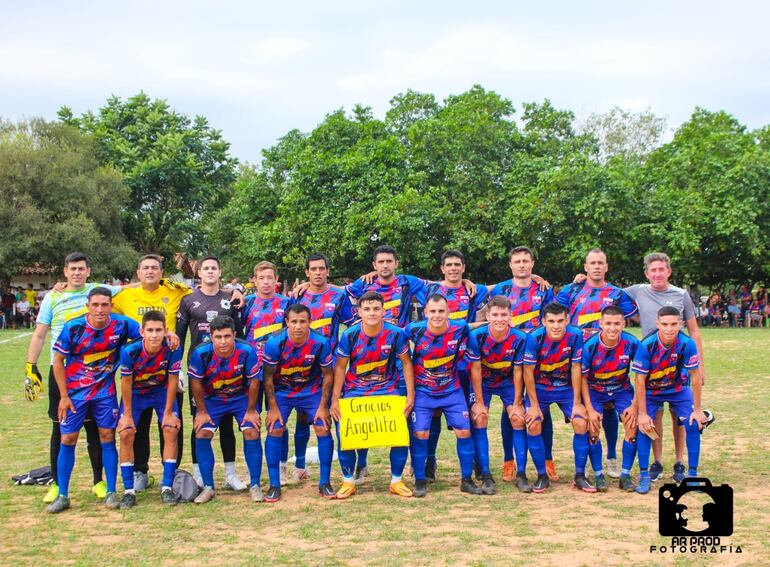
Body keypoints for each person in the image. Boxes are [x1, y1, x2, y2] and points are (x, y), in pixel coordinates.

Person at [25, 252, 126, 504]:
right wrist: (30, 365)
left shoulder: (97, 291)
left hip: (99, 375)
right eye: (73, 269)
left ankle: (99, 481)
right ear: (65, 271)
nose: (77, 273)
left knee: (99, 432)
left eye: (81, 268)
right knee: (60, 429)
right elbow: (39, 334)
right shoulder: (54, 296)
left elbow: (130, 287)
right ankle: (59, 486)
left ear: (88, 272)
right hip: (63, 370)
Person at [45, 287, 141, 513]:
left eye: (105, 305)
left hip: (104, 392)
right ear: (88, 305)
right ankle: (63, 495)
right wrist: (64, 396)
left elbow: (145, 334)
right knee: (67, 438)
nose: (100, 309)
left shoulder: (121, 324)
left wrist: (168, 334)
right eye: (95, 305)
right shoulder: (74, 327)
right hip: (75, 393)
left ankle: (110, 491)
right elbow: (58, 361)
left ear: (110, 306)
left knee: (107, 436)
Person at [555, 248, 638, 480]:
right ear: (585, 267)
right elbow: (553, 314)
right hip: (577, 359)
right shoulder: (571, 290)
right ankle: (582, 464)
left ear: (606, 266)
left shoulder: (617, 293)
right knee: (586, 412)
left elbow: (637, 315)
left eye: (601, 262)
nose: (597, 267)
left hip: (609, 357)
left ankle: (611, 456)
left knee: (610, 406)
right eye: (592, 263)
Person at [623, 253, 706, 483]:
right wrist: (580, 279)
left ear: (669, 271)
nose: (657, 273)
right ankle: (657, 461)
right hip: (651, 362)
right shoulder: (638, 291)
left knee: (680, 417)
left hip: (677, 363)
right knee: (654, 416)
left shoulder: (681, 295)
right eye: (653, 270)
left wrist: (700, 364)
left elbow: (694, 330)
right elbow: (606, 288)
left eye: (662, 269)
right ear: (646, 273)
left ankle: (679, 462)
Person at [111, 254, 190, 492]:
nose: (150, 271)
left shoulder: (176, 291)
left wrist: (236, 293)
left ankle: (172, 473)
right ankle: (140, 471)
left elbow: (205, 293)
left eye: (154, 268)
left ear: (162, 272)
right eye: (145, 268)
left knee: (172, 422)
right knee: (139, 425)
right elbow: (101, 304)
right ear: (138, 272)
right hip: (138, 367)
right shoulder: (125, 295)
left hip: (168, 364)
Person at [412, 250, 489, 482]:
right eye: (449, 265)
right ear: (442, 268)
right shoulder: (429, 290)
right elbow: (392, 275)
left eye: (458, 264)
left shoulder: (474, 290)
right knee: (430, 419)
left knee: (470, 420)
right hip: (431, 375)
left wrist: (537, 278)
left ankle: (478, 465)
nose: (453, 268)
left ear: (463, 267)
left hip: (461, 370)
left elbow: (502, 286)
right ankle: (428, 463)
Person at [330, 291, 415, 499]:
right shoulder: (349, 334)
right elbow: (340, 368)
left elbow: (406, 363)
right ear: (359, 312)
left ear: (384, 311)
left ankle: (396, 480)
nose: (372, 313)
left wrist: (410, 395)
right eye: (367, 309)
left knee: (399, 429)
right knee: (344, 430)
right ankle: (348, 481)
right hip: (355, 390)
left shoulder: (396, 333)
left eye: (376, 308)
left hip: (387, 388)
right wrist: (335, 399)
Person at [178, 255, 247, 490]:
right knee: (199, 421)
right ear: (199, 273)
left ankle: (230, 474)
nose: (209, 271)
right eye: (205, 268)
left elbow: (239, 336)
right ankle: (199, 474)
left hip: (227, 371)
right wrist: (178, 370)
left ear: (219, 272)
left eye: (213, 268)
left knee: (227, 423)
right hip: (200, 370)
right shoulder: (188, 301)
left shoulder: (231, 299)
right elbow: (179, 337)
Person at [488, 246, 554, 482]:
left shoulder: (543, 289)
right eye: (517, 261)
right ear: (511, 265)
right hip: (507, 358)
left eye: (526, 260)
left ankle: (547, 460)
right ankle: (509, 461)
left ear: (532, 264)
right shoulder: (500, 288)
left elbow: (552, 318)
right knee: (512, 410)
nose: (522, 264)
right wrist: (464, 279)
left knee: (539, 409)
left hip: (537, 358)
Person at [292, 253, 356, 483]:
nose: (318, 272)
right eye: (313, 269)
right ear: (307, 273)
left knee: (336, 414)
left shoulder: (339, 296)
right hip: (304, 366)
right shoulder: (298, 297)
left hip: (332, 365)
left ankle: (356, 467)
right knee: (302, 417)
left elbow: (352, 325)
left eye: (321, 268)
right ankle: (299, 465)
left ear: (328, 271)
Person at [261, 304, 336, 501]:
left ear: (309, 322)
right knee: (275, 428)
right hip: (282, 392)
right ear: (287, 322)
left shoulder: (320, 342)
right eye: (293, 321)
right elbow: (267, 378)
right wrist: (273, 408)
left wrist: (322, 406)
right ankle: (274, 484)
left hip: (311, 391)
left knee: (322, 427)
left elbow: (328, 375)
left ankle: (325, 483)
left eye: (303, 321)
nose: (298, 326)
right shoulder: (274, 343)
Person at [407, 295, 479, 497]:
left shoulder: (461, 329)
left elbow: (473, 359)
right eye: (433, 311)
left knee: (464, 431)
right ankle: (420, 479)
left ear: (448, 312)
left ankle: (467, 479)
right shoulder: (414, 330)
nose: (437, 315)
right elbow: (398, 350)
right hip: (423, 391)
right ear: (426, 313)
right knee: (420, 433)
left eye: (441, 311)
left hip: (451, 390)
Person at [187, 316, 262, 504]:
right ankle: (209, 487)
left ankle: (255, 485)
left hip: (240, 398)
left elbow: (254, 382)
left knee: (252, 431)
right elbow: (195, 383)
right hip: (212, 400)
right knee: (202, 434)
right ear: (211, 337)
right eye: (218, 337)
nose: (223, 341)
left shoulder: (246, 350)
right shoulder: (200, 352)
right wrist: (202, 412)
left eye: (227, 336)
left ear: (234, 335)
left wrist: (252, 410)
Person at [632, 306, 706, 494]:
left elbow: (695, 377)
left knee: (692, 423)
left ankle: (692, 474)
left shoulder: (687, 343)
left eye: (674, 324)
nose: (669, 329)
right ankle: (645, 475)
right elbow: (639, 380)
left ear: (680, 324)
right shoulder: (646, 344)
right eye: (664, 324)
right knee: (645, 426)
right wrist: (642, 413)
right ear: (658, 324)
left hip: (678, 389)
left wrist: (697, 410)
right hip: (651, 391)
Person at [522, 302, 590, 493]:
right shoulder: (534, 337)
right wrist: (534, 405)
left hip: (565, 388)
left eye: (560, 321)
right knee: (534, 423)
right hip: (540, 388)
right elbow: (527, 372)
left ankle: (579, 475)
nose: (556, 325)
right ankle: (542, 476)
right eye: (551, 321)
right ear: (543, 321)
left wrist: (577, 403)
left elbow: (577, 367)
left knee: (581, 422)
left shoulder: (575, 335)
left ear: (567, 320)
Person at [116, 311, 182, 508]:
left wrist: (169, 412)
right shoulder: (129, 351)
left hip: (161, 391)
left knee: (170, 430)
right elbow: (126, 383)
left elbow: (172, 381)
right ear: (142, 332)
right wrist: (127, 415)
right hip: (136, 393)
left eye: (158, 330)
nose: (154, 335)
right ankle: (129, 490)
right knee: (126, 433)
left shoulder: (172, 348)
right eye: (150, 330)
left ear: (166, 331)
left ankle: (167, 487)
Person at [465, 295, 530, 493]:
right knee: (480, 417)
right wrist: (478, 401)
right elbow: (475, 370)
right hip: (483, 382)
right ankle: (485, 474)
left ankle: (521, 474)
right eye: (495, 314)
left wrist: (518, 401)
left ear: (511, 315)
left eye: (504, 314)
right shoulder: (477, 336)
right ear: (487, 316)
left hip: (507, 382)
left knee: (518, 419)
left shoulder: (520, 338)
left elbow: (519, 371)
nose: (500, 319)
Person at [239, 261, 291, 485]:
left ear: (276, 280)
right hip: (252, 371)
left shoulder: (287, 303)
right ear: (254, 280)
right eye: (262, 278)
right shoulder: (245, 303)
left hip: (279, 371)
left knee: (278, 418)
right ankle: (253, 470)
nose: (267, 282)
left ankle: (281, 467)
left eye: (270, 278)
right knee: (250, 420)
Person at [580, 305, 640, 492]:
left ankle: (625, 475)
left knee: (632, 423)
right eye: (608, 324)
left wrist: (635, 406)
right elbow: (582, 378)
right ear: (600, 324)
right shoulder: (589, 345)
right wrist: (589, 408)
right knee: (593, 425)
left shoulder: (631, 342)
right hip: (595, 390)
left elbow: (640, 376)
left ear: (624, 323)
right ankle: (598, 475)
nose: (612, 328)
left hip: (621, 389)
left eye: (616, 324)